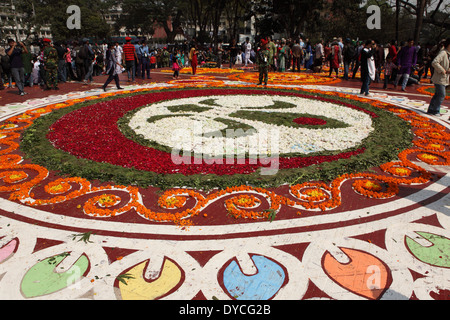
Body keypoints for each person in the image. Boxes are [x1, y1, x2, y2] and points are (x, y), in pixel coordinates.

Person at [426, 38, 450, 117]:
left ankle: (431, 109)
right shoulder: (443, 53)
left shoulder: (448, 54)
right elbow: (434, 62)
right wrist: (442, 70)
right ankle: (436, 110)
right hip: (439, 78)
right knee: (441, 95)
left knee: (437, 94)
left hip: (444, 78)